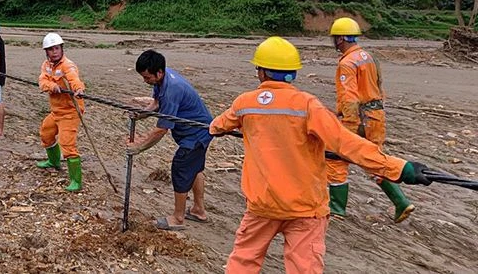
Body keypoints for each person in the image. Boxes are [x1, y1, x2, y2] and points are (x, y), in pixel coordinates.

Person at [209, 36, 432, 274]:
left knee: (243, 262)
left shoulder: (245, 103)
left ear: (261, 72)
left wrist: (235, 127)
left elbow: (216, 126)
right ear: (293, 73)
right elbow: (347, 144)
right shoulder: (307, 105)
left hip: (262, 206)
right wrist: (399, 168)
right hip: (306, 209)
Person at [326, 17, 415, 223]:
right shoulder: (368, 57)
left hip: (359, 118)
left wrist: (347, 126)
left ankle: (337, 208)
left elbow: (350, 97)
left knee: (335, 157)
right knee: (374, 160)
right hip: (376, 116)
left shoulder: (347, 63)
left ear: (340, 39)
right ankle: (401, 202)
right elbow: (378, 86)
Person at [126, 50, 214, 231]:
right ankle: (198, 210)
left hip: (197, 134)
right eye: (143, 77)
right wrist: (142, 114)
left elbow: (161, 129)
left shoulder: (173, 88)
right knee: (195, 168)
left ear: (159, 72)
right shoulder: (162, 78)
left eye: (147, 77)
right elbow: (156, 102)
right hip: (197, 131)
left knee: (181, 168)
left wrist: (139, 147)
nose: (146, 81)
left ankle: (178, 218)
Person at [36, 32, 86, 192]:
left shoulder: (68, 65)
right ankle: (54, 161)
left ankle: (76, 181)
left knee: (67, 143)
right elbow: (42, 81)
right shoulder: (46, 65)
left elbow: (74, 79)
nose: (54, 52)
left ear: (61, 48)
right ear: (46, 52)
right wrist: (52, 86)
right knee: (46, 133)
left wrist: (78, 89)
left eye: (56, 48)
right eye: (50, 49)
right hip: (56, 111)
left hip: (70, 112)